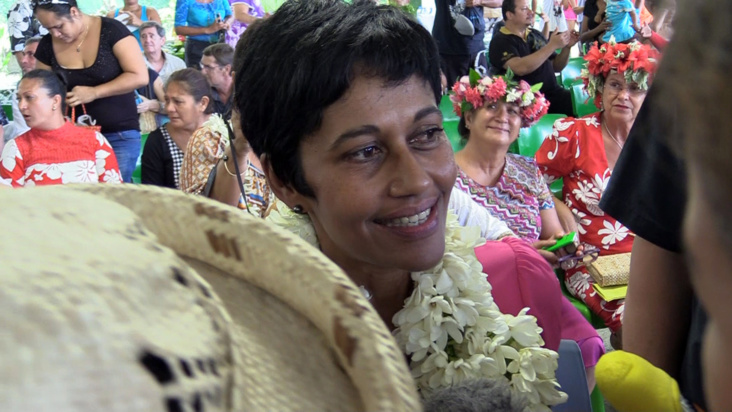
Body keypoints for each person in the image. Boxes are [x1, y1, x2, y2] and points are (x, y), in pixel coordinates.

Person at [233, 0, 570, 408]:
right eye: (365, 151)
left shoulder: (496, 293)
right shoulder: (251, 362)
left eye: (427, 134)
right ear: (285, 180)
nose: (418, 181)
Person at [449, 72, 604, 389]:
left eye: (513, 111)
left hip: (535, 283)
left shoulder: (528, 170)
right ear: (468, 116)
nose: (503, 117)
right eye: (492, 107)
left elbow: (552, 236)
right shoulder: (444, 175)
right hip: (474, 295)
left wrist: (561, 248)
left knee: (587, 345)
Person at [535, 39, 660, 346]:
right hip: (590, 259)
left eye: (635, 88)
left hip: (649, 257)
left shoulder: (656, 142)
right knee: (639, 321)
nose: (623, 95)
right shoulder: (573, 134)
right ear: (599, 88)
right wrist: (561, 209)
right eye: (615, 85)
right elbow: (532, 183)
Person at [33, 0, 149, 183]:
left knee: (113, 194)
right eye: (49, 29)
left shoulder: (112, 30)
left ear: (74, 12)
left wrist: (94, 92)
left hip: (119, 134)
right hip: (71, 137)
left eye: (59, 26)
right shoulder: (48, 44)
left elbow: (139, 76)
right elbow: (41, 87)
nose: (55, 34)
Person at [0, 70, 122, 187]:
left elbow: (114, 194)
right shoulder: (16, 148)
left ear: (55, 101)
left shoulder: (95, 141)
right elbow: (9, 199)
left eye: (29, 97)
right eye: (19, 99)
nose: (21, 106)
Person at [489, 0, 579, 116]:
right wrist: (551, 46)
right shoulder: (500, 41)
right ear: (509, 15)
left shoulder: (535, 34)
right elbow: (520, 68)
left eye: (529, 8)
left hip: (553, 94)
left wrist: (567, 48)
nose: (531, 12)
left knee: (581, 104)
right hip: (524, 101)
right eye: (524, 9)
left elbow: (556, 66)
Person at [141, 68, 213, 189]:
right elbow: (151, 194)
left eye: (178, 102)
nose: (169, 108)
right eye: (167, 100)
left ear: (203, 103)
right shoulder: (158, 141)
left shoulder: (224, 134)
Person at [432, 0, 491, 85]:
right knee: (450, 91)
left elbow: (501, 2)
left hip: (475, 47)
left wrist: (479, 1)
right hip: (446, 48)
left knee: (481, 90)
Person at [174, 0, 233, 69]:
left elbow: (229, 15)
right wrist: (208, 30)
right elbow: (179, 29)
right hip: (196, 48)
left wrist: (227, 22)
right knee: (198, 75)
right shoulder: (185, 1)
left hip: (220, 46)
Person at [3, 37, 40, 143]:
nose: (23, 60)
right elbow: (23, 133)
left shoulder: (62, 87)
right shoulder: (19, 92)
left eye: (31, 54)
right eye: (24, 54)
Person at [200, 43, 234, 120]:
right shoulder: (203, 92)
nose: (203, 72)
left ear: (226, 69)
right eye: (202, 66)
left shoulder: (243, 94)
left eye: (208, 67)